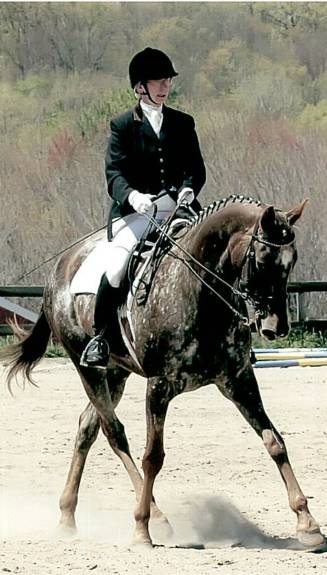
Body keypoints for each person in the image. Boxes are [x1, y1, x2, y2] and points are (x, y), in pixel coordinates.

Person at [80, 47, 206, 368]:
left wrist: (188, 189)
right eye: (158, 81)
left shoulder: (183, 123)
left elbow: (195, 168)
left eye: (167, 81)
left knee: (216, 252)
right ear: (140, 87)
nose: (165, 87)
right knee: (117, 266)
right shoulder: (122, 125)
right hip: (136, 213)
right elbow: (114, 174)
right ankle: (101, 337)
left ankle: (232, 332)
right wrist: (133, 196)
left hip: (178, 209)